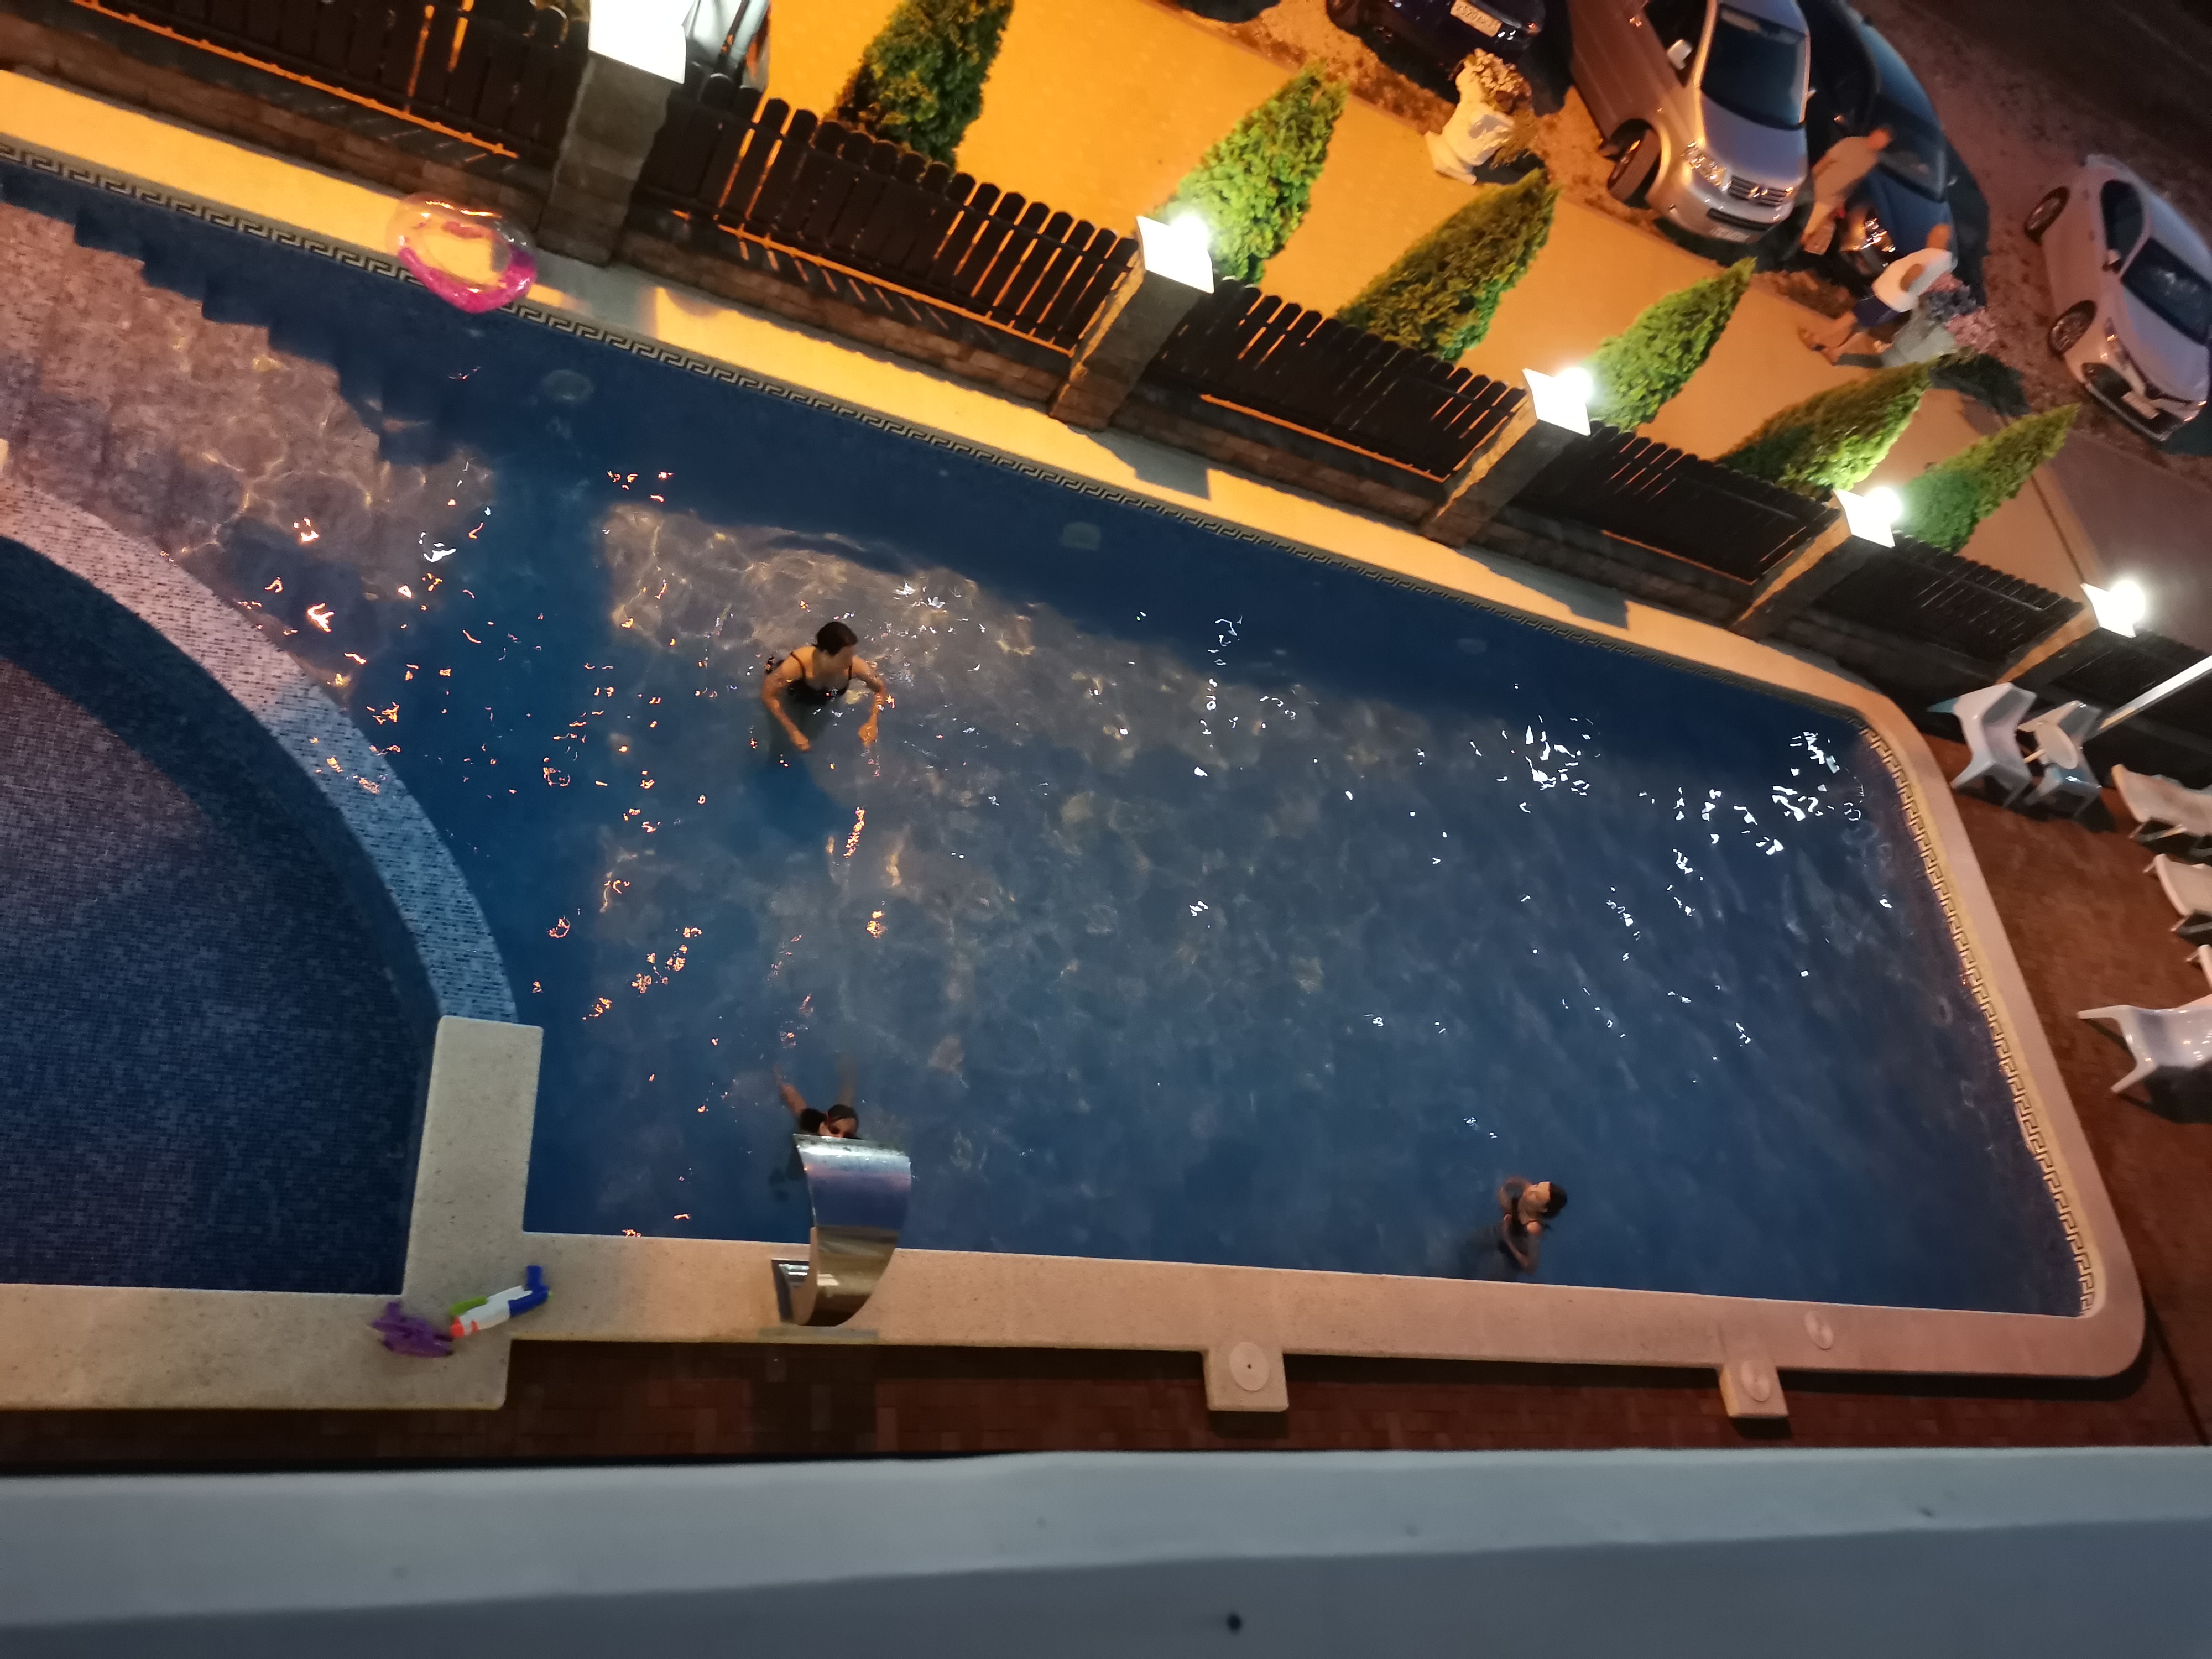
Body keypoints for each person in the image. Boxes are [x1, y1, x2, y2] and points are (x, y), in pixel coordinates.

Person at [1798, 222, 1955, 364]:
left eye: (1933, 234)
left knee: (1851, 316)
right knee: (1864, 324)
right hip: (1894, 300)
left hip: (1889, 296)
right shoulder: (1945, 261)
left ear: (1941, 239)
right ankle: (1837, 352)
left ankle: (1816, 338)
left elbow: (1916, 272)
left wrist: (1903, 286)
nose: (1929, 237)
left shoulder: (1933, 255)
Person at [761, 619, 893, 752]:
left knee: (811, 739)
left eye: (852, 656)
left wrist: (873, 721)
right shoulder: (797, 665)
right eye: (845, 658)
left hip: (824, 700)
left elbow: (880, 689)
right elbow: (768, 694)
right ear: (825, 654)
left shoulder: (855, 667)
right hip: (791, 695)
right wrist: (793, 731)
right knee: (782, 743)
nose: (850, 663)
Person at [1798, 126, 1892, 257]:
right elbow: (1825, 162)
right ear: (1873, 133)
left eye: (1883, 142)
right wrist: (1807, 182)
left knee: (1808, 231)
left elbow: (1854, 183)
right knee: (1794, 218)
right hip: (1817, 188)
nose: (1878, 142)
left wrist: (1842, 201)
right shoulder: (1850, 143)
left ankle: (1789, 254)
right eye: (1879, 138)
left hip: (1830, 200)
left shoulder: (1873, 160)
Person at [1496, 1176, 1567, 1272]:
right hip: (1501, 1231)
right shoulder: (1529, 1190)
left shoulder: (1533, 1228)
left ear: (1543, 1208)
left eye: (1537, 1196)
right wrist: (1503, 1190)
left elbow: (1531, 1268)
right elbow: (1512, 1183)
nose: (1531, 1190)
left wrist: (1507, 1239)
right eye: (1537, 1186)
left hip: (1509, 1253)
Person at [776, 1062, 860, 1139]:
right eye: (834, 1131)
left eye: (847, 1137)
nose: (840, 1139)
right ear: (822, 1126)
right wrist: (779, 1079)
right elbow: (791, 1096)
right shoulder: (808, 1124)